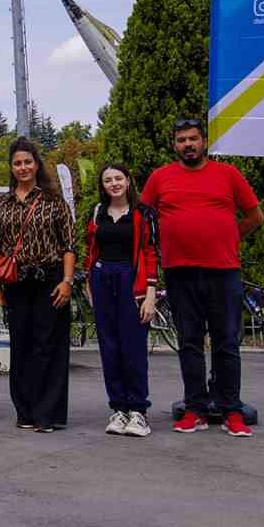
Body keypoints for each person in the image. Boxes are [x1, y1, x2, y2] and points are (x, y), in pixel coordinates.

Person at [141, 119, 264, 438]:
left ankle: (231, 409)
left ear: (204, 141)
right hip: (180, 273)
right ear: (174, 145)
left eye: (193, 139)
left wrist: (229, 238)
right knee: (189, 343)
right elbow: (142, 221)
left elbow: (255, 216)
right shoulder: (159, 177)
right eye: (181, 140)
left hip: (223, 272)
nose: (188, 145)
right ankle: (194, 408)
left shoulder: (228, 174)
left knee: (227, 342)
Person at [0, 138, 77, 432]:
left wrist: (66, 281)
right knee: (21, 346)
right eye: (17, 163)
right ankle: (24, 411)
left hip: (50, 279)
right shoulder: (2, 203)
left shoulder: (54, 201)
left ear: (37, 164)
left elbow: (69, 245)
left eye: (27, 162)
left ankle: (47, 413)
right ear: (11, 168)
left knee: (48, 346)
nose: (23, 167)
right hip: (16, 281)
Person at [85, 162, 161, 438]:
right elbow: (90, 248)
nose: (114, 183)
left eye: (118, 178)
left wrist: (150, 293)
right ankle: (118, 409)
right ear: (102, 185)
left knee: (133, 347)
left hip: (132, 282)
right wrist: (88, 283)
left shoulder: (144, 213)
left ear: (128, 181)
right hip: (102, 279)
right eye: (108, 180)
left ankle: (138, 411)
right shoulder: (97, 212)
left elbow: (151, 253)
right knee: (109, 347)